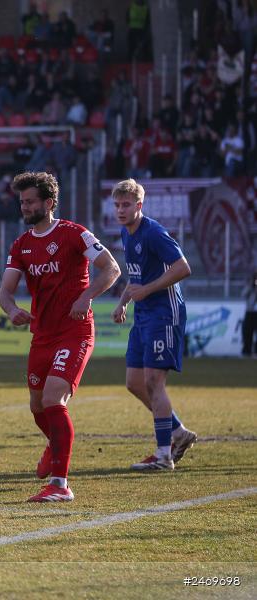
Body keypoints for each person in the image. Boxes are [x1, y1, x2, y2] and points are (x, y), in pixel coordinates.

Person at [0, 171, 121, 502]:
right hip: (42, 334)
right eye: (22, 202)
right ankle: (56, 443)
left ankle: (60, 484)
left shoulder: (75, 234)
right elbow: (5, 292)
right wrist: (12, 311)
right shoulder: (21, 245)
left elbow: (111, 268)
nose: (24, 207)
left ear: (49, 203)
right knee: (37, 406)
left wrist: (86, 297)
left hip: (74, 331)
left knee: (54, 398)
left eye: (31, 201)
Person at [111, 179, 198, 470]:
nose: (121, 210)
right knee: (134, 383)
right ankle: (178, 433)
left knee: (153, 381)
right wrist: (123, 301)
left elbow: (183, 267)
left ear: (139, 205)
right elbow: (135, 275)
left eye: (126, 205)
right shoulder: (126, 233)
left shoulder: (153, 232)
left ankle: (163, 455)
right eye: (117, 205)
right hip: (143, 314)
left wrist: (147, 291)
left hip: (165, 312)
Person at [243, 271, 257, 357]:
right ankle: (247, 351)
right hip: (250, 312)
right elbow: (243, 294)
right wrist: (251, 286)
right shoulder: (250, 287)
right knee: (247, 332)